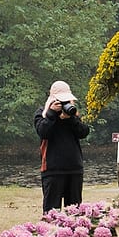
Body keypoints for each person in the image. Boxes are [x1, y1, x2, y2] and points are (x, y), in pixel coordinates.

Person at [35, 80, 89, 213]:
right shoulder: (42, 113)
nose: (64, 104)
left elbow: (83, 132)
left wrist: (71, 118)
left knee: (74, 212)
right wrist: (52, 114)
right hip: (52, 169)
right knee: (51, 212)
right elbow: (43, 132)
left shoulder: (72, 114)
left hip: (74, 168)